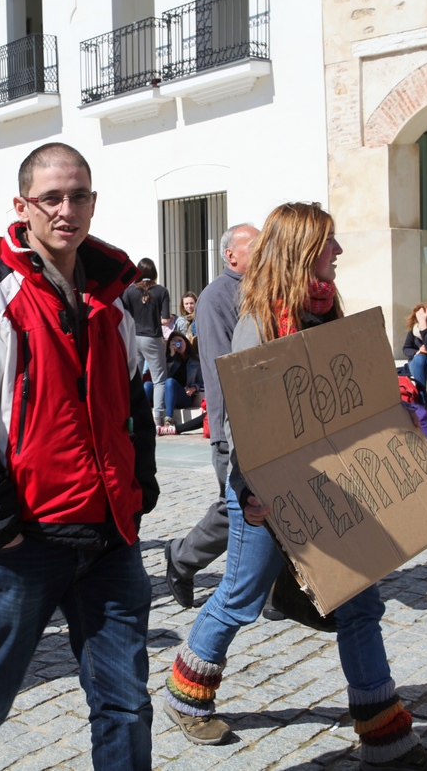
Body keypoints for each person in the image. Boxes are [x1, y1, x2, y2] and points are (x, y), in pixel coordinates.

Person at [161, 202, 427, 771]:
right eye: (328, 247)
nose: (338, 256)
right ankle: (185, 693)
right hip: (266, 492)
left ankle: (387, 743)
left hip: (332, 488)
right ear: (300, 251)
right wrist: (245, 489)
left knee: (361, 604)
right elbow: (248, 419)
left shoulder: (326, 312)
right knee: (240, 598)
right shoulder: (258, 321)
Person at [0, 142, 159, 771]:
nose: (65, 209)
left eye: (77, 196)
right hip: (26, 542)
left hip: (109, 537)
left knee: (125, 702)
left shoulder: (112, 300)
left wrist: (140, 486)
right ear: (22, 206)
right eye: (51, 197)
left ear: (93, 203)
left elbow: (134, 402)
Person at [163, 223, 259, 609]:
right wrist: (228, 428)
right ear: (230, 255)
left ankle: (274, 588)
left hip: (262, 417)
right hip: (234, 422)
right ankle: (183, 558)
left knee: (262, 505)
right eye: (254, 245)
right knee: (235, 505)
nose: (264, 251)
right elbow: (224, 367)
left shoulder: (260, 290)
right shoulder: (217, 296)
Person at [122, 257, 171, 429]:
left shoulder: (128, 291)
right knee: (159, 380)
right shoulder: (161, 291)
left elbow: (124, 316)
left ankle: (132, 414)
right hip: (153, 338)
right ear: (154, 273)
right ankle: (158, 418)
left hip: (133, 337)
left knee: (134, 377)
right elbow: (165, 320)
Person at [148, 332, 203, 435]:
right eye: (174, 342)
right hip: (167, 395)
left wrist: (193, 388)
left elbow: (201, 382)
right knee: (147, 385)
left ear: (185, 341)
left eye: (180, 341)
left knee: (170, 382)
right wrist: (171, 357)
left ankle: (169, 420)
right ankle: (142, 419)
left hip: (185, 396)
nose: (178, 344)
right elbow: (162, 378)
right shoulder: (170, 359)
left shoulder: (195, 360)